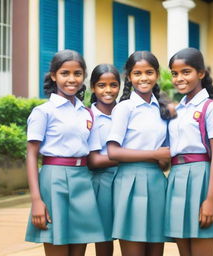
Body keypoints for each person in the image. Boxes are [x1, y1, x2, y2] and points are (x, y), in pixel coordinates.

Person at [25, 49, 105, 256]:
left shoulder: (87, 113)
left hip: (83, 181)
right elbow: (32, 155)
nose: (72, 79)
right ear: (53, 76)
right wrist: (36, 200)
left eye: (77, 73)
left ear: (84, 76)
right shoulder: (43, 112)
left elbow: (94, 156)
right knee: (57, 246)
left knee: (79, 249)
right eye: (65, 73)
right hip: (54, 180)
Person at [164, 47, 213, 256]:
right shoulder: (177, 110)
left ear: (201, 73)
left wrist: (210, 200)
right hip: (176, 180)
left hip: (201, 179)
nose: (179, 78)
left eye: (186, 72)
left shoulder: (211, 108)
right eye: (174, 73)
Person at [106, 51, 171, 256]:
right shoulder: (124, 108)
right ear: (129, 77)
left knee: (155, 251)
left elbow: (166, 153)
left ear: (157, 75)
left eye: (149, 72)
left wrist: (162, 161)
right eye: (137, 73)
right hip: (129, 182)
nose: (144, 78)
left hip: (157, 181)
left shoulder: (164, 108)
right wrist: (153, 155)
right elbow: (113, 151)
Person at [87, 64, 121, 256]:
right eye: (101, 85)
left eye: (113, 85)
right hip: (102, 183)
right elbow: (93, 161)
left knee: (130, 233)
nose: (108, 90)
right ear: (93, 87)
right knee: (104, 238)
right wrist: (129, 156)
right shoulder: (89, 116)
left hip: (126, 177)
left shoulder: (126, 112)